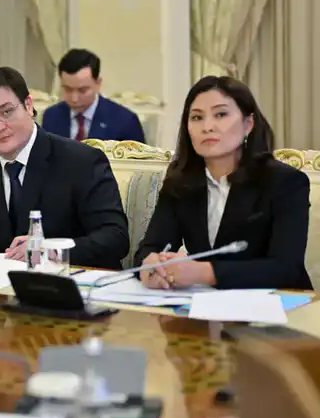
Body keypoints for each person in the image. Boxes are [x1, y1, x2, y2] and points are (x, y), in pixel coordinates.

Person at [134, 75, 312, 290]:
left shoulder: (285, 182)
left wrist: (205, 272)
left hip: (280, 301)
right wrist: (151, 265)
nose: (207, 127)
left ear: (248, 124)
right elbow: (150, 248)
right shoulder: (181, 181)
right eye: (197, 117)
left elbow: (285, 269)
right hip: (204, 303)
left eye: (221, 114)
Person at [0, 66, 130, 269]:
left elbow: (115, 239)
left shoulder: (82, 162)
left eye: (6, 112)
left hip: (72, 281)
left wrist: (50, 250)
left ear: (28, 106)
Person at [42, 49, 145, 143]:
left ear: (98, 83)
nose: (74, 99)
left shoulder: (125, 121)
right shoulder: (51, 116)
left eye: (82, 90)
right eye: (68, 89)